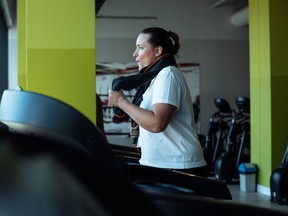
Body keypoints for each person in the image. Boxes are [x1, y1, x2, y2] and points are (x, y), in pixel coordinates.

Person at [108, 27, 208, 177]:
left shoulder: (167, 75)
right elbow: (152, 121)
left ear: (157, 51)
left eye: (140, 48)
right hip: (161, 163)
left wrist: (121, 102)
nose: (135, 54)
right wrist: (141, 129)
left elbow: (157, 124)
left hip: (178, 164)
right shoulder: (155, 78)